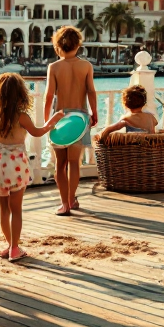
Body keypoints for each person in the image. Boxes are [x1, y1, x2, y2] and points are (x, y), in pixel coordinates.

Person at [0, 73, 63, 261]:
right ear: (21, 93)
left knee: (3, 209)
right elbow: (38, 132)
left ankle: (9, 244)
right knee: (17, 209)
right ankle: (14, 248)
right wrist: (53, 121)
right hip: (16, 167)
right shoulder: (21, 116)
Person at [44, 26, 97, 216]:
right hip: (80, 118)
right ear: (78, 45)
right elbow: (91, 91)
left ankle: (64, 203)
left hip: (60, 118)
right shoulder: (86, 66)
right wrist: (94, 112)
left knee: (60, 164)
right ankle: (73, 199)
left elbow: (49, 95)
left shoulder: (54, 67)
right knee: (74, 162)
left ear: (58, 46)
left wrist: (47, 120)